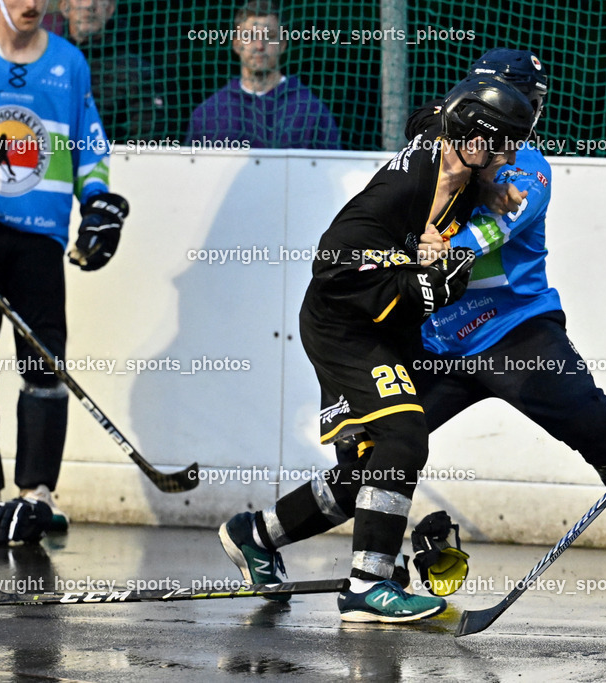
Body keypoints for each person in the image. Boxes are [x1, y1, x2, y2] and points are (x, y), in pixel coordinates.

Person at [338, 48, 606, 579]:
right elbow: (420, 134)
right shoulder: (440, 143)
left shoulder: (529, 167)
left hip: (516, 334)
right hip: (439, 341)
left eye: (536, 104)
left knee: (600, 430)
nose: (531, 117)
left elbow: (490, 229)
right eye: (526, 100)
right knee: (376, 452)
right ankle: (267, 535)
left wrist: (440, 247)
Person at [218, 76, 535, 623]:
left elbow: (428, 121)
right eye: (503, 145)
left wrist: (488, 194)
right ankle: (367, 584)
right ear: (474, 141)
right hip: (343, 322)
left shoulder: (455, 152)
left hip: (383, 323)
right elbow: (332, 260)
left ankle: (256, 535)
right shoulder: (408, 186)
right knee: (405, 432)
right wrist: (414, 269)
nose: (510, 157)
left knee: (368, 468)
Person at [0, 0, 129, 541]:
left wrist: (98, 202)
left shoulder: (69, 63)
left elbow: (89, 142)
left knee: (45, 360)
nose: (31, 4)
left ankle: (38, 490)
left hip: (40, 234)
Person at [185, 0, 340, 149]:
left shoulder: (311, 111)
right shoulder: (207, 114)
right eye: (250, 36)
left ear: (282, 44)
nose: (260, 45)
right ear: (237, 44)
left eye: (270, 36)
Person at [59, 0, 166, 141]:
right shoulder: (46, 62)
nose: (89, 5)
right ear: (64, 7)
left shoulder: (137, 72)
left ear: (110, 8)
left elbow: (146, 143)